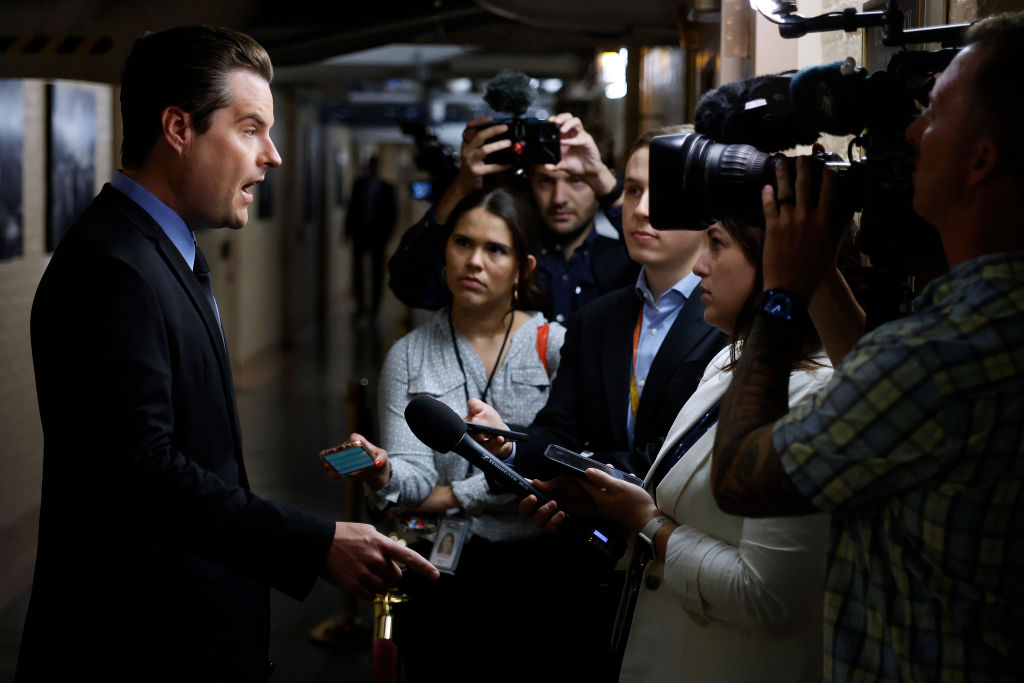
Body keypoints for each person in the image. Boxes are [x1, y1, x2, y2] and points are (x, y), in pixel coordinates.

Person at [17, 26, 437, 683]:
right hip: (132, 649)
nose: (272, 156)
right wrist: (314, 542)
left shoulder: (161, 253)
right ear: (179, 128)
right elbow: (144, 473)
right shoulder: (112, 269)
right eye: (249, 128)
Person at [708, 12, 1024, 681]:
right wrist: (817, 265)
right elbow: (880, 393)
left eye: (933, 116)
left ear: (982, 159)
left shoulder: (943, 353)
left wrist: (783, 290)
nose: (911, 133)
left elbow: (738, 475)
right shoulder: (985, 330)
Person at [522, 216, 836, 682]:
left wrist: (647, 523)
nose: (699, 268)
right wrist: (600, 507)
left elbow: (767, 597)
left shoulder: (818, 395)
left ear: (776, 264)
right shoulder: (733, 356)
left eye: (717, 246)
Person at [346, 187, 569, 682]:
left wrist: (456, 494)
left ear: (523, 268)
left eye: (496, 249)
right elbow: (415, 479)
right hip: (440, 569)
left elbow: (558, 467)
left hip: (536, 567)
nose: (475, 261)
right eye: (463, 243)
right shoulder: (410, 354)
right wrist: (383, 473)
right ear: (444, 253)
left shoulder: (553, 346)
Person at [388, 113, 638, 322]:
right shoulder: (502, 260)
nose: (559, 197)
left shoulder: (627, 260)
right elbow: (412, 287)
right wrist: (462, 187)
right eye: (545, 181)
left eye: (577, 180)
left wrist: (606, 184)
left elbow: (673, 279)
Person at [345, 156, 397, 317]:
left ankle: (375, 307)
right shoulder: (359, 185)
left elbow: (393, 214)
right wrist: (347, 231)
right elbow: (352, 209)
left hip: (378, 235)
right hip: (360, 233)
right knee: (358, 270)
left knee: (377, 271)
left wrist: (387, 234)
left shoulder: (387, 188)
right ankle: (360, 305)